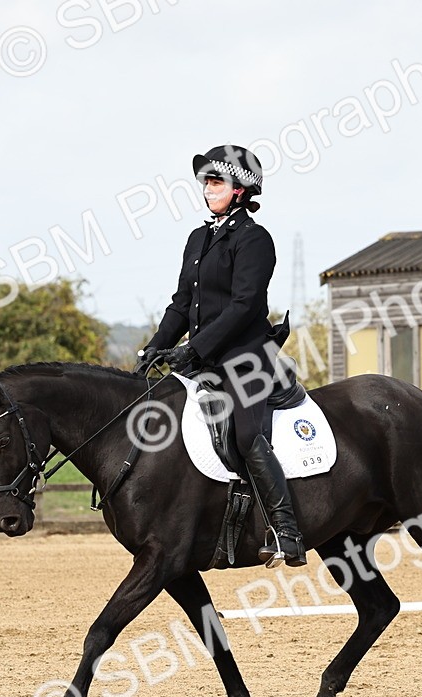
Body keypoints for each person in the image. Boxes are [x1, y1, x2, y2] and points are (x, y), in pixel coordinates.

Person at [135, 144, 306, 568]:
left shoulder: (254, 239)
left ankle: (287, 531)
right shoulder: (199, 238)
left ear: (240, 189)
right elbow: (181, 303)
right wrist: (156, 346)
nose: (207, 188)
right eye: (206, 181)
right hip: (204, 358)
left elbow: (245, 305)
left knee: (246, 435)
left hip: (247, 359)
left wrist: (193, 348)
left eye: (216, 181)